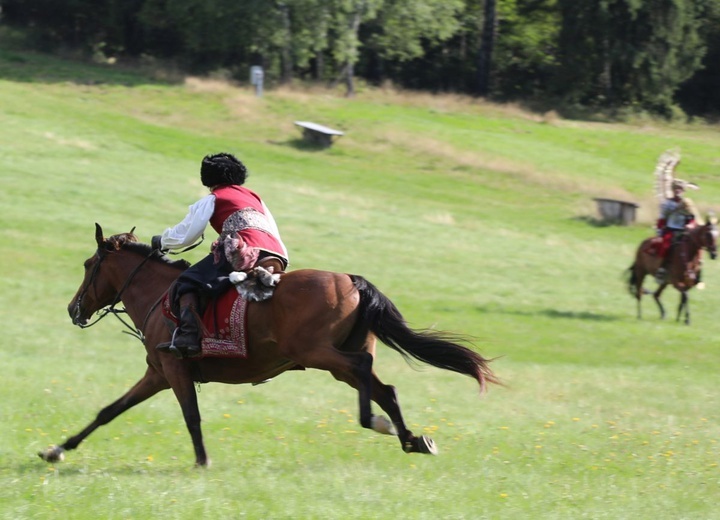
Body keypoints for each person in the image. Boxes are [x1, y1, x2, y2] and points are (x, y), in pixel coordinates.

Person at [152, 153, 289, 358]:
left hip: (243, 251)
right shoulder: (255, 197)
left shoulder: (214, 198)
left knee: (187, 281)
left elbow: (188, 233)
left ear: (209, 178)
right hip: (276, 253)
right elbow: (272, 229)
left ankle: (188, 337)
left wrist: (163, 241)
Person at [655, 179, 699, 282]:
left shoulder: (687, 204)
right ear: (673, 190)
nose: (678, 191)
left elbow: (692, 219)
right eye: (676, 189)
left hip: (684, 231)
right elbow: (662, 219)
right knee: (666, 246)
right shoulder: (668, 203)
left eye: (680, 189)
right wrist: (660, 230)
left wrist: (690, 225)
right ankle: (662, 269)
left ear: (683, 191)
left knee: (696, 247)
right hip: (670, 230)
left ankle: (697, 271)